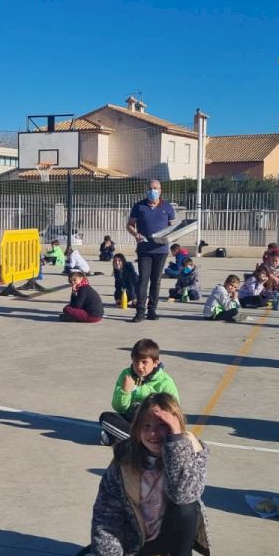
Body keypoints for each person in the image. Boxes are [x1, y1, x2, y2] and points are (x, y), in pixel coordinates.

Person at [86, 393, 210, 556]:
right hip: (137, 538)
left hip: (173, 535)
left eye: (163, 425)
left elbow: (183, 495)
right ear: (137, 428)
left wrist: (175, 441)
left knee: (187, 508)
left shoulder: (192, 450)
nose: (154, 433)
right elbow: (106, 515)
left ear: (176, 425)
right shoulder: (124, 459)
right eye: (147, 426)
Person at [98, 338, 179, 446]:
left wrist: (154, 412)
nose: (139, 366)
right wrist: (125, 391)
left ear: (155, 363)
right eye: (136, 361)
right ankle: (138, 440)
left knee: (166, 429)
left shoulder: (165, 382)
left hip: (154, 424)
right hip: (133, 420)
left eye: (144, 362)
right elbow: (119, 408)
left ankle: (126, 439)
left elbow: (173, 411)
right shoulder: (126, 375)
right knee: (105, 418)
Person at [127, 179, 176, 321]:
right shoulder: (139, 206)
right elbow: (130, 225)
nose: (153, 190)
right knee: (143, 280)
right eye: (151, 188)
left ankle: (152, 310)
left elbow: (173, 227)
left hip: (161, 250)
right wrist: (135, 234)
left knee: (156, 280)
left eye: (156, 188)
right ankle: (140, 311)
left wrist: (173, 236)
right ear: (146, 190)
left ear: (160, 190)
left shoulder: (167, 207)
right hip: (144, 250)